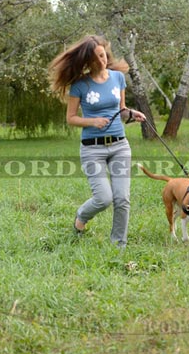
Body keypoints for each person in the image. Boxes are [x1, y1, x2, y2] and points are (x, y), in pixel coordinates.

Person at [48, 35, 146, 248]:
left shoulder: (118, 78)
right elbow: (71, 118)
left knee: (122, 199)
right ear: (87, 63)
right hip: (93, 150)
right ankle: (81, 217)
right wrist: (93, 122)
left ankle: (118, 245)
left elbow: (121, 110)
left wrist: (132, 114)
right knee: (104, 198)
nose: (101, 62)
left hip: (120, 146)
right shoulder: (80, 86)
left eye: (102, 56)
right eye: (95, 59)